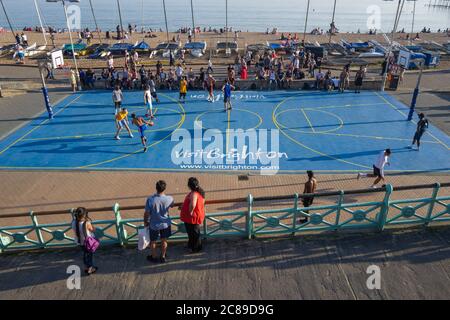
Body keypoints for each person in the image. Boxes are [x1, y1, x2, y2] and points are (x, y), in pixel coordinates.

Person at [144, 180, 174, 263]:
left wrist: (145, 222)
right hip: (165, 224)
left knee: (153, 241)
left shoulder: (150, 199)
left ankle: (154, 257)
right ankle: (163, 256)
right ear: (164, 188)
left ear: (156, 188)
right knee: (164, 240)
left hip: (153, 224)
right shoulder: (169, 198)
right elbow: (172, 205)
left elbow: (146, 213)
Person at [180, 177, 206, 253]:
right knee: (194, 232)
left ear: (189, 186)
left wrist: (190, 212)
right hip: (196, 215)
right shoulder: (200, 192)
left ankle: (196, 248)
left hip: (191, 217)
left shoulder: (194, 193)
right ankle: (192, 245)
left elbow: (193, 204)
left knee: (193, 233)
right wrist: (183, 206)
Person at [72, 207, 98, 275]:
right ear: (84, 215)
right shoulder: (86, 223)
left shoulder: (73, 222)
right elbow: (92, 230)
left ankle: (87, 267)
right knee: (89, 255)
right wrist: (92, 225)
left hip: (79, 241)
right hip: (88, 242)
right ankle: (90, 268)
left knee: (85, 254)